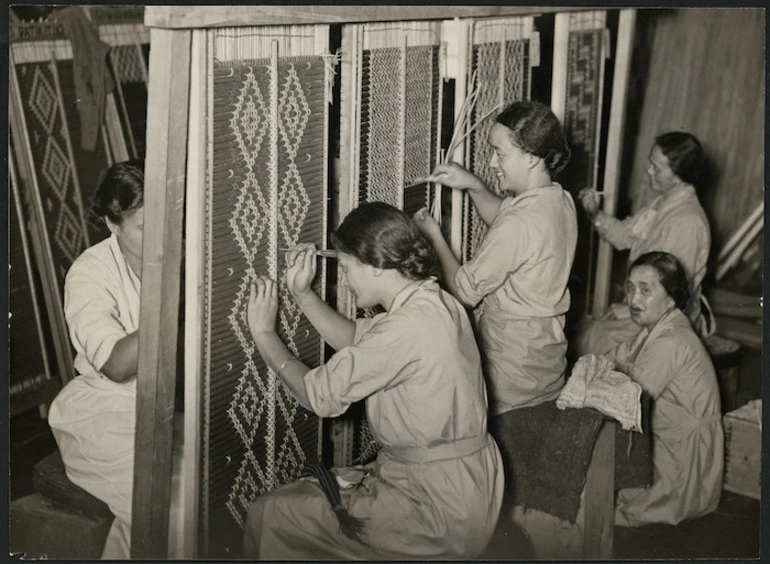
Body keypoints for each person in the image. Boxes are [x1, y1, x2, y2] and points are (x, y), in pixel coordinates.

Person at [243, 202, 504, 559]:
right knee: (313, 497)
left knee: (274, 513)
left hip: (436, 507)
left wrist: (263, 335)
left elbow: (317, 395)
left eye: (348, 269)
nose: (346, 281)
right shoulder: (433, 301)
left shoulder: (408, 326)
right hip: (463, 485)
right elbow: (358, 341)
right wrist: (302, 294)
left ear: (375, 267)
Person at [47, 162, 182, 559]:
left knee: (201, 490)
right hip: (102, 410)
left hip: (166, 402)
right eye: (143, 226)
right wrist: (172, 297)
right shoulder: (89, 273)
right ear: (111, 222)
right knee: (165, 504)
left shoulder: (182, 251)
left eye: (166, 219)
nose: (161, 234)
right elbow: (116, 366)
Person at [413, 100, 577, 416]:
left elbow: (463, 290)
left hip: (511, 360)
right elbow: (506, 220)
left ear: (530, 158)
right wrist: (473, 184)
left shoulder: (521, 222)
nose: (491, 162)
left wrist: (434, 236)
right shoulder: (557, 199)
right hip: (542, 351)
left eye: (499, 154)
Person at [605, 251, 723, 526]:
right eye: (631, 288)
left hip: (686, 456)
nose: (633, 299)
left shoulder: (671, 340)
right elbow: (610, 359)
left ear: (670, 298)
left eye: (645, 291)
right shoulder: (655, 327)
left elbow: (627, 399)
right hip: (668, 440)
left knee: (611, 513)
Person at [575, 132, 711, 356]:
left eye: (655, 167)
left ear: (677, 175)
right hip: (648, 305)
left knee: (592, 342)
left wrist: (630, 310)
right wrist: (595, 214)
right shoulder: (663, 203)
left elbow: (674, 292)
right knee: (588, 334)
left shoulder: (687, 222)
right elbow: (624, 236)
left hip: (667, 318)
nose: (648, 171)